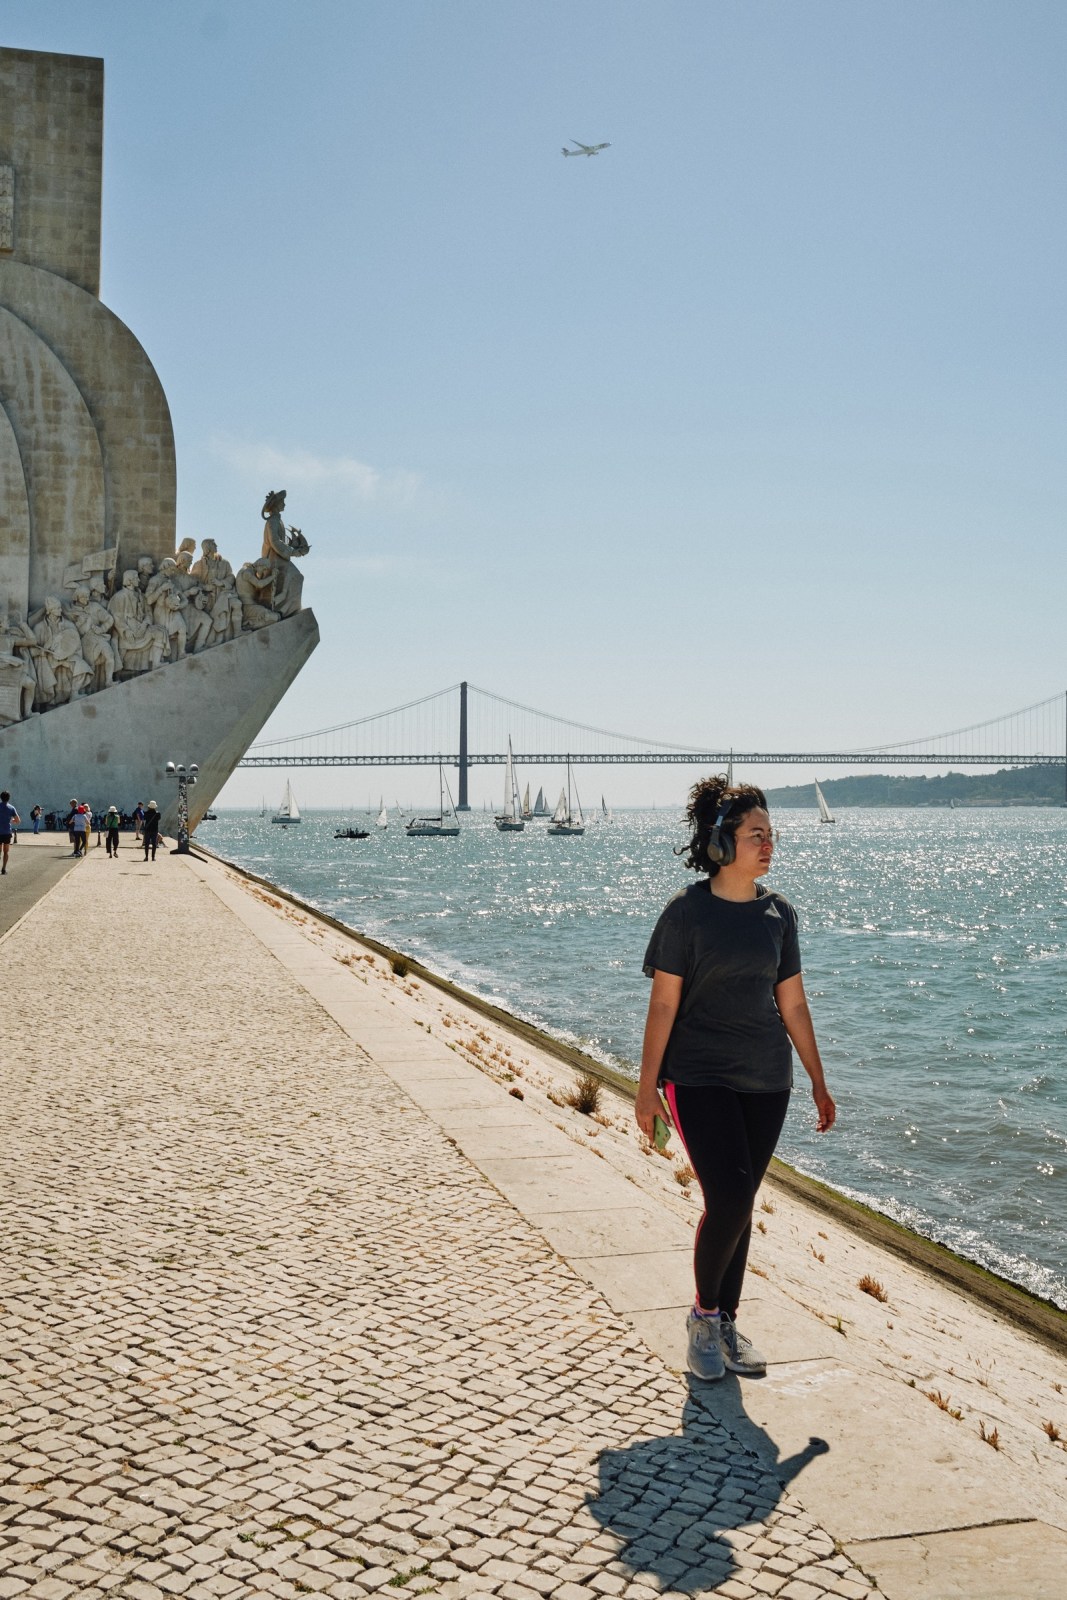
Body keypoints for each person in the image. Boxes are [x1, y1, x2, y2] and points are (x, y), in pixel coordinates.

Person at [636, 778, 836, 1384]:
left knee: (742, 1202)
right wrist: (646, 1089)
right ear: (723, 844)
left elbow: (794, 1007)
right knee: (727, 1197)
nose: (768, 845)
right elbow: (663, 1008)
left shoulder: (780, 915)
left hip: (766, 1081)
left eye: (771, 835)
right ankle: (702, 1317)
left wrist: (818, 1084)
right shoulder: (685, 914)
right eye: (756, 835)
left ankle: (725, 1320)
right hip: (697, 1078)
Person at [0, 791, 20, 874]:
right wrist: (11, 820)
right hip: (7, 832)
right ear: (8, 798)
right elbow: (18, 820)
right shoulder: (11, 808)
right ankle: (3, 869)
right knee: (6, 851)